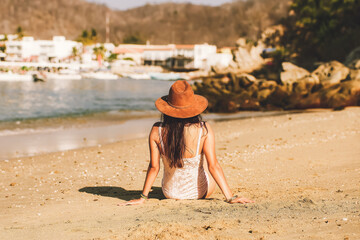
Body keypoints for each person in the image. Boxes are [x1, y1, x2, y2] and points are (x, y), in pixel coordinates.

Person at [119, 80, 254, 206]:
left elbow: (154, 167)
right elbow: (214, 166)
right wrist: (230, 197)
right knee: (207, 161)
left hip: (169, 193)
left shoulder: (156, 130)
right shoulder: (203, 129)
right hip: (198, 192)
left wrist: (143, 197)